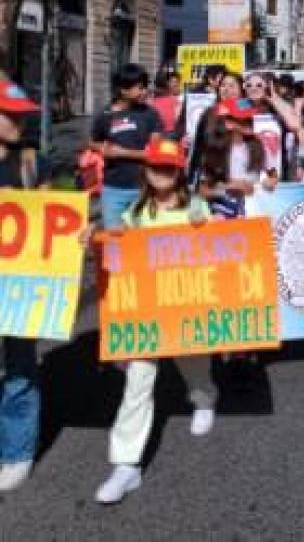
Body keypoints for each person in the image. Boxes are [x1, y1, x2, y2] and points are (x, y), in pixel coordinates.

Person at [95, 137, 216, 505]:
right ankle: (126, 464)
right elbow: (122, 249)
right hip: (148, 311)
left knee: (194, 365)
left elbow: (220, 250)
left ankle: (205, 401)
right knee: (137, 381)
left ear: (179, 171)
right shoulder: (138, 209)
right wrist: (97, 237)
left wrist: (203, 224)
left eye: (168, 167)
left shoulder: (196, 207)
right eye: (155, 167)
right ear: (146, 171)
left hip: (185, 306)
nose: (161, 173)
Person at [0, 81, 52, 492]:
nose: (20, 121)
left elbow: (53, 219)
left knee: (19, 367)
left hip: (19, 286)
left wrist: (80, 236)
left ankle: (16, 452)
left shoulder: (36, 162)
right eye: (10, 114)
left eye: (22, 114)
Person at [90, 65, 162, 229]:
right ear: (123, 90)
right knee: (114, 240)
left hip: (144, 188)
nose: (145, 91)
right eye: (140, 87)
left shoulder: (150, 114)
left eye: (145, 86)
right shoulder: (105, 116)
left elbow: (154, 152)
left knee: (141, 241)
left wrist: (121, 153)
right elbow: (92, 141)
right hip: (113, 189)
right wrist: (101, 148)